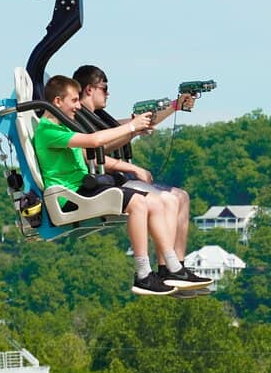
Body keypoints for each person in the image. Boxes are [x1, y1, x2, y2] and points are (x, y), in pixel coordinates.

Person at [33, 75, 208, 295]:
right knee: (138, 203)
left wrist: (135, 126)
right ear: (58, 102)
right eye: (74, 100)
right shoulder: (49, 131)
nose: (77, 106)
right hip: (72, 196)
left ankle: (172, 267)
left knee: (152, 204)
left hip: (85, 187)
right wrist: (132, 127)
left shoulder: (64, 129)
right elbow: (95, 141)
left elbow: (97, 144)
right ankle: (143, 275)